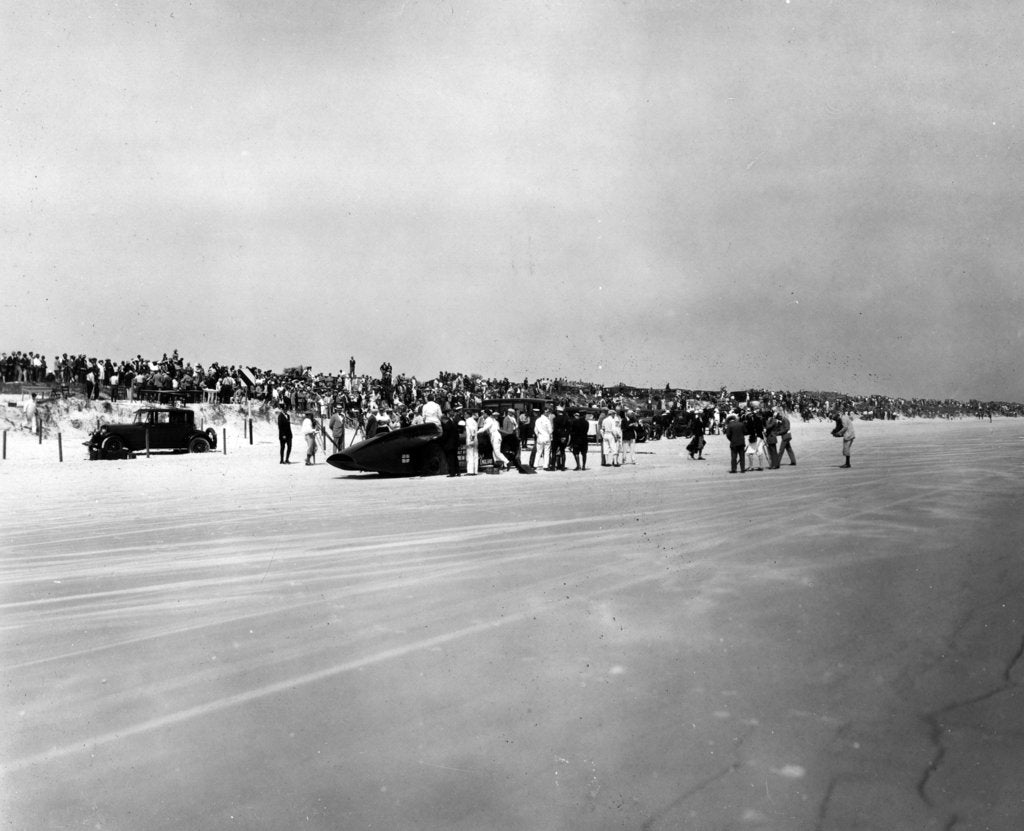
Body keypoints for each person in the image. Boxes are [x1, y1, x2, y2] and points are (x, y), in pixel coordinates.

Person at [441, 408, 461, 476]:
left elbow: (446, 434)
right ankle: (458, 472)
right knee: (455, 458)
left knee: (451, 458)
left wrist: (443, 440)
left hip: (449, 444)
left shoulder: (448, 423)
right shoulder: (454, 421)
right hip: (454, 443)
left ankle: (452, 472)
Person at [551, 405, 571, 471]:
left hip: (556, 436)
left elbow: (555, 429)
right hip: (564, 436)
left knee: (554, 452)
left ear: (558, 411)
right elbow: (568, 429)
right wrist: (565, 436)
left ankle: (553, 466)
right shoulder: (567, 419)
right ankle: (563, 466)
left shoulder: (555, 419)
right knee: (562, 452)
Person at [464, 407, 479, 475]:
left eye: (465, 414)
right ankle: (475, 470)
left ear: (468, 414)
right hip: (475, 438)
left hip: (471, 438)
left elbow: (472, 430)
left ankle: (470, 471)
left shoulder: (468, 420)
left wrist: (471, 439)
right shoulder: (474, 421)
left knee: (470, 455)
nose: (464, 415)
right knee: (475, 454)